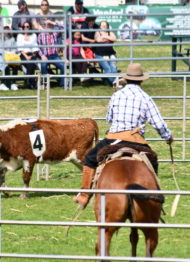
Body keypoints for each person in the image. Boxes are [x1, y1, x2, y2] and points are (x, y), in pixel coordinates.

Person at [73, 63, 174, 208]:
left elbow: (109, 119)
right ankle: (154, 198)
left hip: (113, 139)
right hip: (136, 141)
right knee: (153, 161)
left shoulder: (116, 95)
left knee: (89, 159)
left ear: (126, 79)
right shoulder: (145, 98)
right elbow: (158, 123)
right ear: (141, 80)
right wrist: (168, 137)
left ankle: (84, 195)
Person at [37, 20, 65, 88]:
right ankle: (46, 83)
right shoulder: (41, 35)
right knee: (43, 66)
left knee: (63, 66)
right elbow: (37, 47)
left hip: (54, 56)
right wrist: (42, 55)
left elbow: (63, 27)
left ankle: (62, 83)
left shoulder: (55, 33)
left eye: (50, 25)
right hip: (45, 56)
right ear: (45, 27)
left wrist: (53, 22)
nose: (49, 27)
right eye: (48, 25)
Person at [94, 20, 119, 87]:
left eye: (105, 25)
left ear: (107, 26)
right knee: (107, 68)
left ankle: (115, 82)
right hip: (100, 54)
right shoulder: (97, 32)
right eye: (102, 25)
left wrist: (105, 37)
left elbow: (114, 39)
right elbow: (98, 40)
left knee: (113, 67)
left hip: (111, 54)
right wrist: (108, 38)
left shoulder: (110, 32)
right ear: (100, 26)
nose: (104, 26)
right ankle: (115, 81)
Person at [17, 21, 39, 89]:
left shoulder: (34, 35)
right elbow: (20, 48)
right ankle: (32, 83)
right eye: (24, 27)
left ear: (30, 27)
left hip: (32, 53)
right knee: (30, 64)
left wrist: (32, 55)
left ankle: (28, 81)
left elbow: (35, 47)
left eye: (27, 26)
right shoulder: (20, 36)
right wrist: (26, 56)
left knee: (31, 63)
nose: (26, 28)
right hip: (23, 54)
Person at [0, 26, 19, 91]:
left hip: (10, 56)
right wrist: (7, 52)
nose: (6, 31)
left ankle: (13, 83)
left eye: (7, 29)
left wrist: (11, 53)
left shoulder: (12, 38)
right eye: (5, 29)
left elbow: (15, 48)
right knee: (6, 66)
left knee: (15, 65)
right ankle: (3, 84)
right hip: (0, 56)